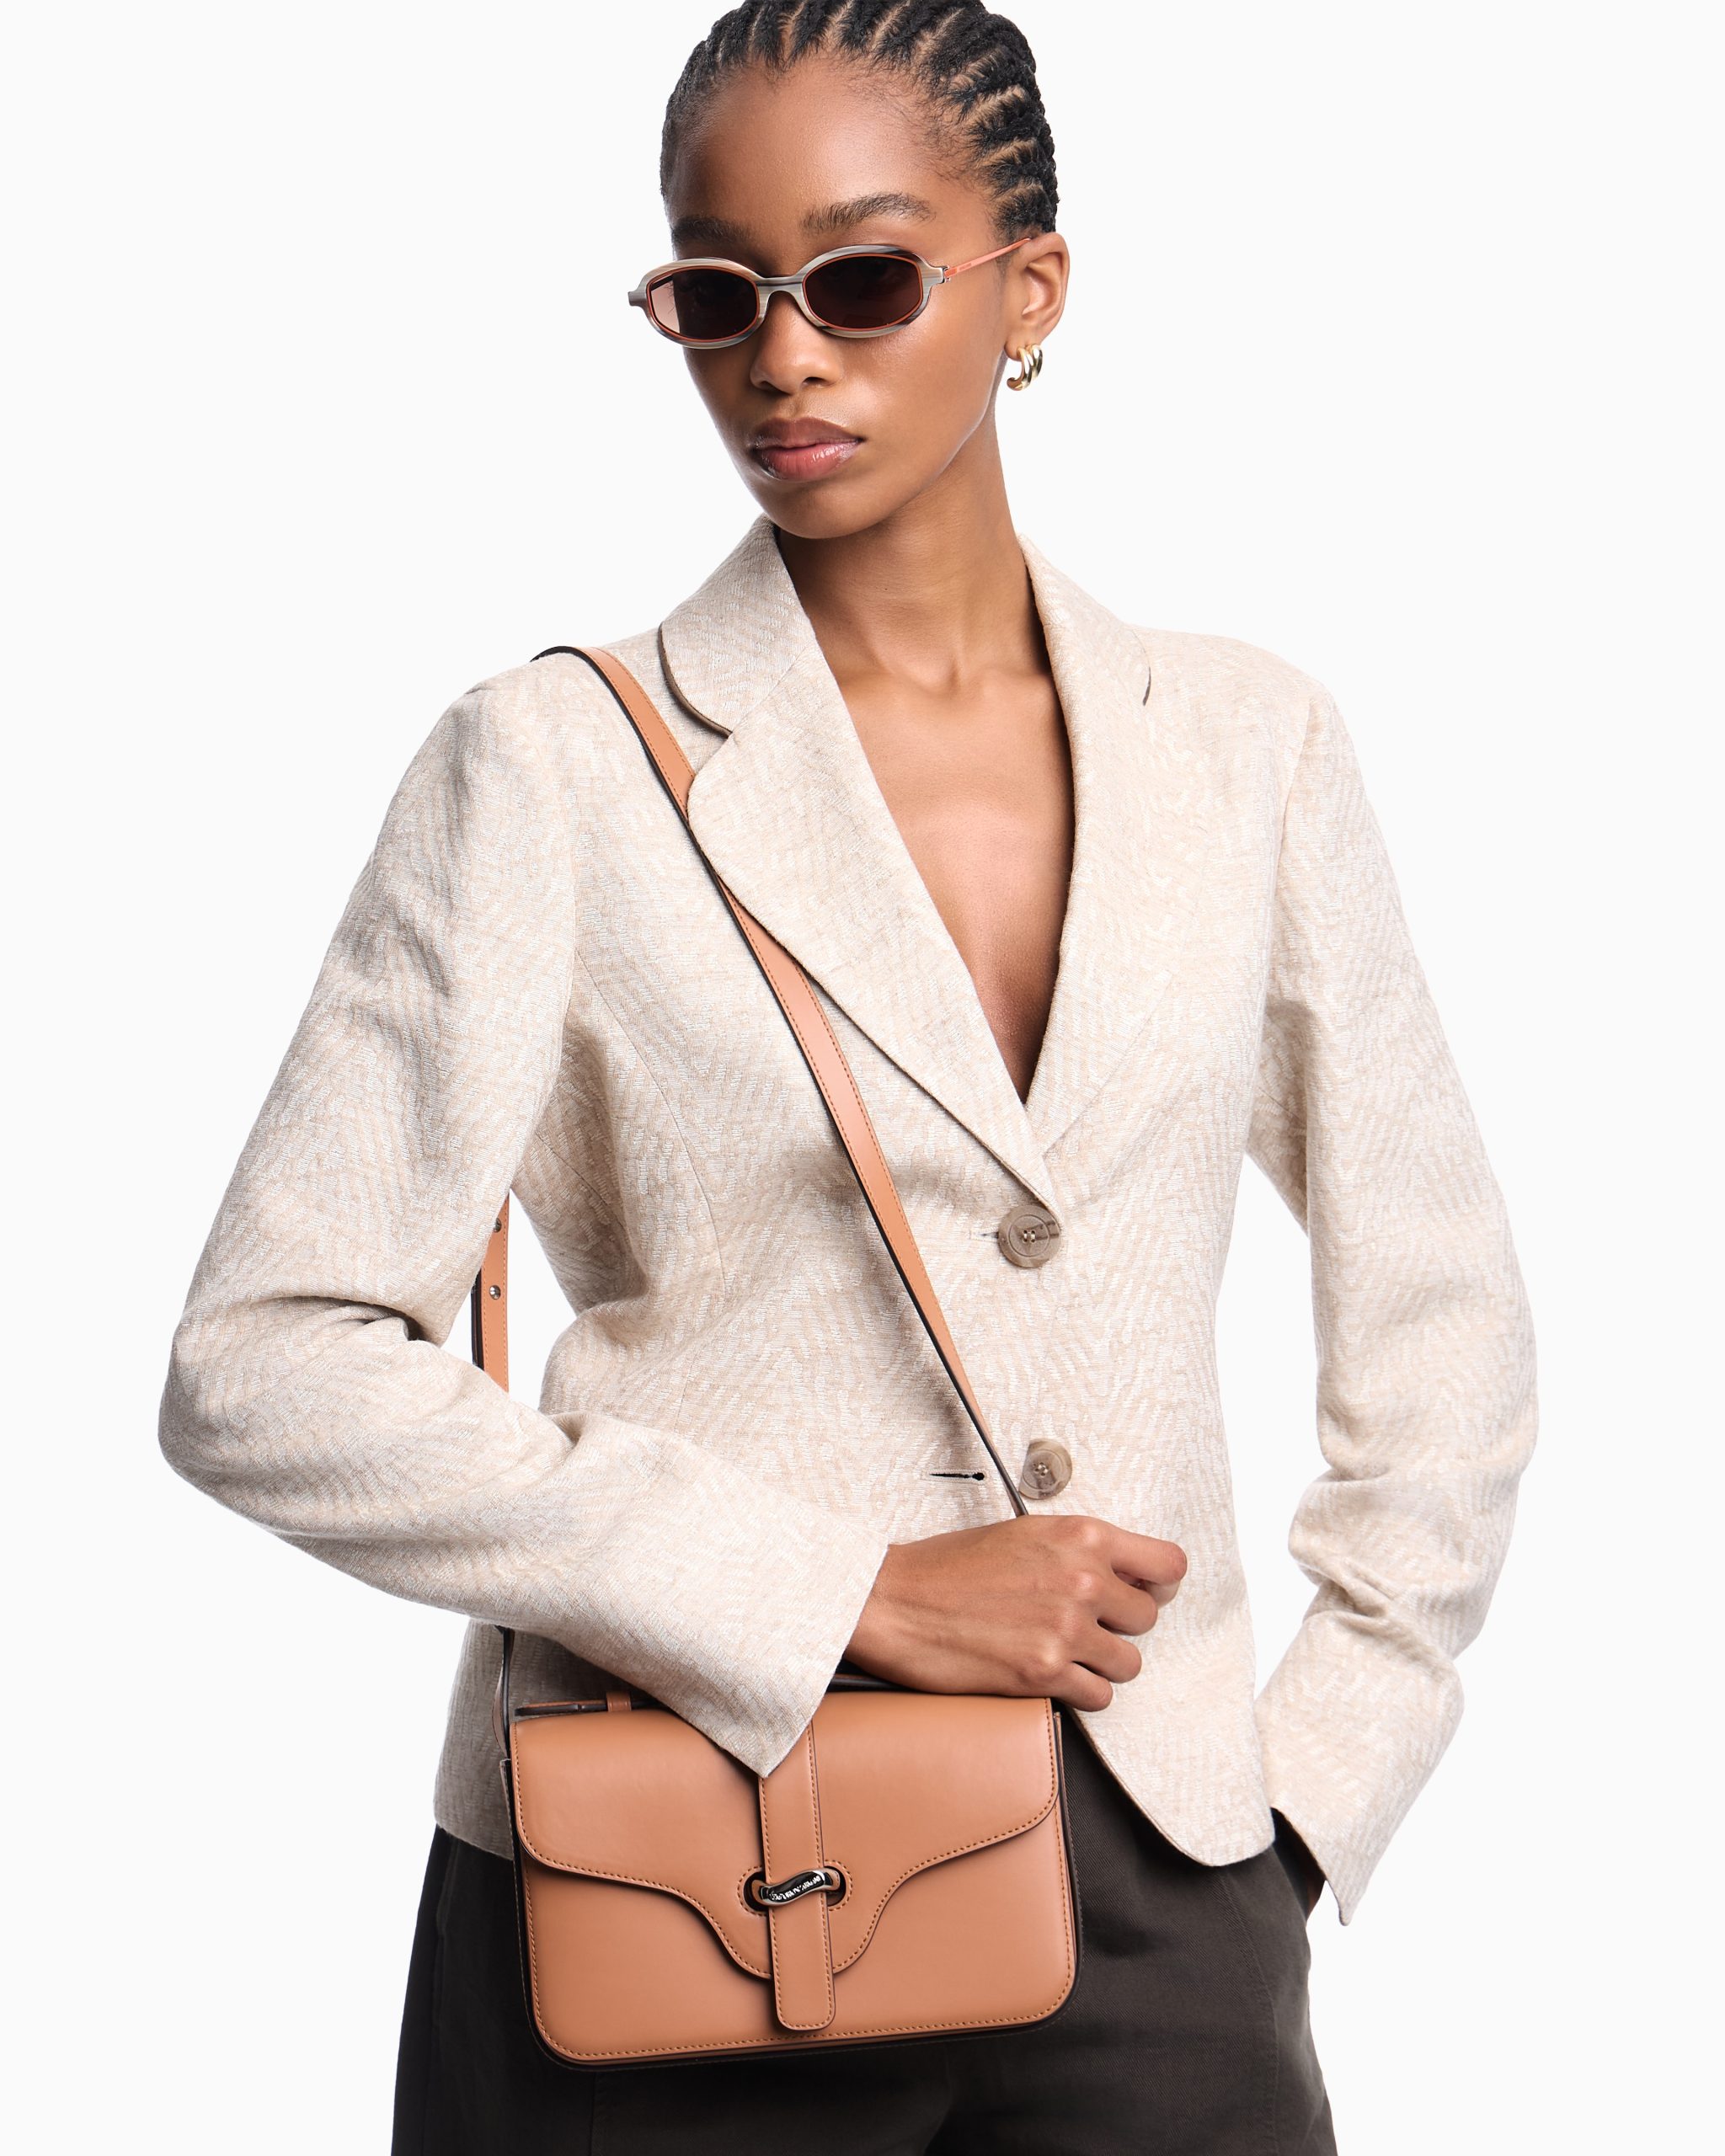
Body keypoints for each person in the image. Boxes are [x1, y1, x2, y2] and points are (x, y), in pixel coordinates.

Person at [158, 4, 1538, 2151]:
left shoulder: (1246, 747)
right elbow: (263, 1362)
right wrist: (843, 1597)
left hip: (1164, 1879)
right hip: (673, 1860)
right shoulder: (552, 769)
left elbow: (1440, 1305)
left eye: (863, 279)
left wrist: (1312, 1787)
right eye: (719, 297)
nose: (784, 360)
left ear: (1031, 290)